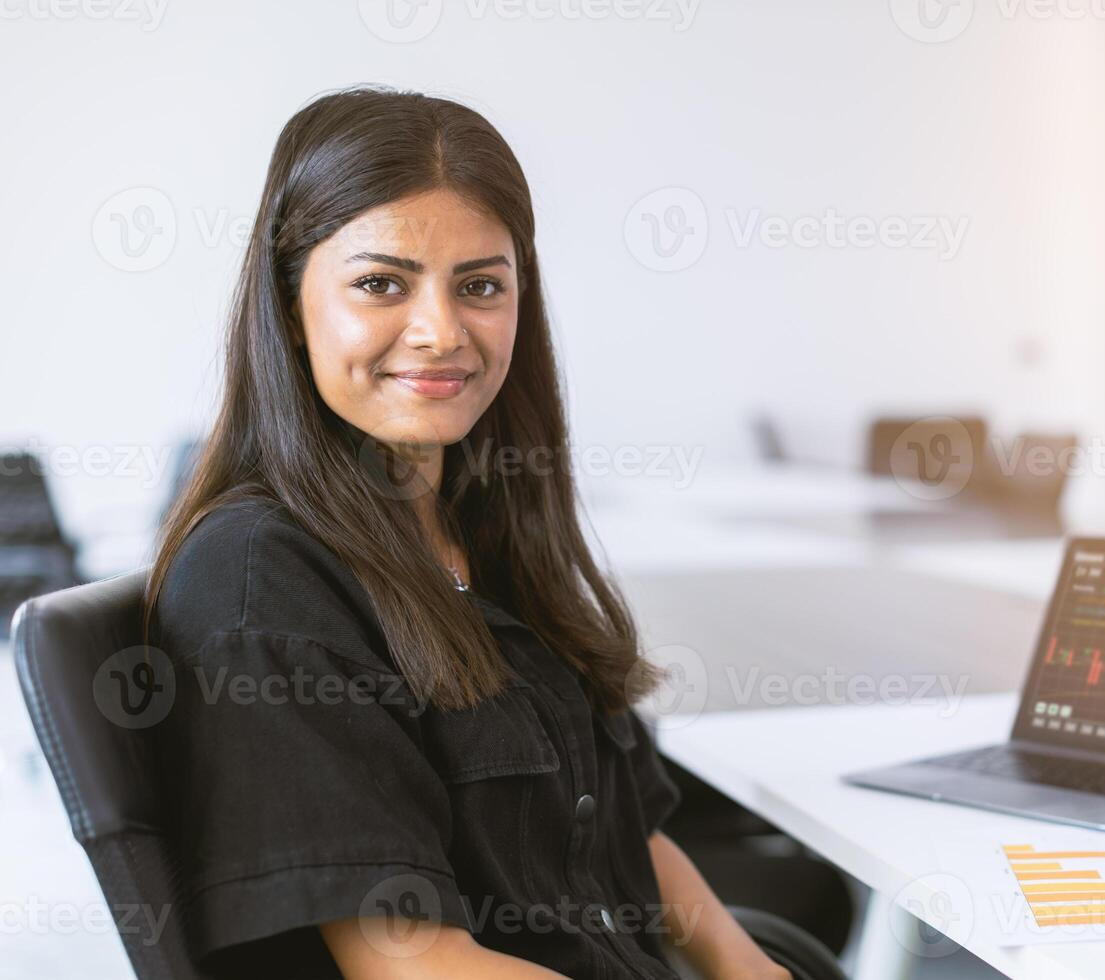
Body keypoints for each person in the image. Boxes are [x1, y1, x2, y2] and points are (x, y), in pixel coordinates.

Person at [143, 84, 790, 980]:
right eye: (380, 285)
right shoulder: (261, 578)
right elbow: (411, 963)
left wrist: (746, 965)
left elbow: (629, 832)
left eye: (480, 285)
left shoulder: (488, 530)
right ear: (292, 309)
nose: (442, 332)